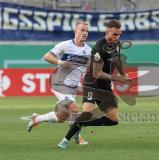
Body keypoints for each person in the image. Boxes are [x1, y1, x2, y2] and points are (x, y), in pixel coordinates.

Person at [57, 19, 133, 149]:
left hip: (105, 85)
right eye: (114, 34)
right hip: (92, 82)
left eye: (119, 34)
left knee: (113, 120)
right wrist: (117, 78)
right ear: (107, 32)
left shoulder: (117, 44)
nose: (117, 37)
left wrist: (122, 74)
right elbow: (97, 74)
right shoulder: (98, 48)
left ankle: (80, 123)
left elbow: (117, 59)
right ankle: (65, 141)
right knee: (88, 112)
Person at [26, 21, 91, 145]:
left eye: (87, 31)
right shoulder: (65, 45)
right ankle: (77, 137)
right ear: (75, 31)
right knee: (75, 108)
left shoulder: (88, 51)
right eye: (82, 30)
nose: (85, 33)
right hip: (59, 84)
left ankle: (37, 119)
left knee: (61, 117)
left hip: (72, 87)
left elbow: (88, 70)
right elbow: (47, 56)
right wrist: (60, 62)